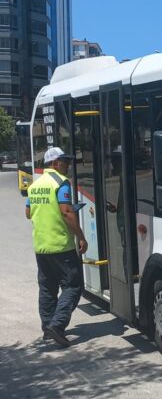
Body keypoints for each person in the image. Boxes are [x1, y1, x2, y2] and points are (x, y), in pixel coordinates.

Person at [26, 146, 88, 347]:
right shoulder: (61, 183)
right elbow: (66, 213)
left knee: (47, 288)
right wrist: (81, 237)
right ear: (54, 163)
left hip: (41, 247)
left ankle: (47, 328)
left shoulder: (35, 185)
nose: (68, 165)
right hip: (61, 246)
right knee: (73, 286)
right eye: (64, 161)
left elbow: (28, 213)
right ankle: (57, 325)